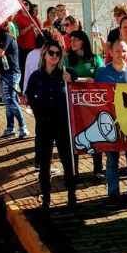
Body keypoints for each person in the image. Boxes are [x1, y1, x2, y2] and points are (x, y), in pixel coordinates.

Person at [22, 40, 78, 209]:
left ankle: (71, 195)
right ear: (44, 54)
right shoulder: (36, 76)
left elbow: (80, 92)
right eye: (51, 53)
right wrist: (26, 100)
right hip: (44, 125)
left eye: (57, 53)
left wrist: (72, 82)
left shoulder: (68, 73)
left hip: (63, 124)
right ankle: (46, 197)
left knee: (68, 162)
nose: (54, 56)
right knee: (44, 163)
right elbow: (28, 95)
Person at [95, 39, 127, 207]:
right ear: (111, 52)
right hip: (110, 123)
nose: (121, 54)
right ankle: (113, 193)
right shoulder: (102, 72)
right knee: (112, 160)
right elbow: (95, 96)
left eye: (123, 51)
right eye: (117, 51)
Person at [62, 30, 104, 178]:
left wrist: (79, 80)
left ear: (83, 41)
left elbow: (99, 79)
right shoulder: (66, 60)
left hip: (92, 103)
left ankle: (98, 169)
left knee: (95, 135)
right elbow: (64, 78)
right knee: (74, 135)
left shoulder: (95, 59)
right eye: (70, 40)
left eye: (75, 39)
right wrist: (86, 79)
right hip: (73, 103)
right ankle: (74, 171)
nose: (72, 42)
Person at [0, 21, 30, 139]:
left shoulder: (6, 36)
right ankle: (10, 128)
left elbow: (0, 52)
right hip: (1, 73)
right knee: (6, 101)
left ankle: (23, 127)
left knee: (10, 100)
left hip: (11, 73)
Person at [15, 0, 40, 87]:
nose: (24, 6)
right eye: (21, 4)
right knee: (24, 69)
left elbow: (39, 31)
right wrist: (29, 27)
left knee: (35, 68)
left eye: (26, 4)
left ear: (29, 6)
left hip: (34, 47)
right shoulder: (18, 18)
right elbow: (18, 33)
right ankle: (23, 89)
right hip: (23, 48)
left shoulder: (34, 18)